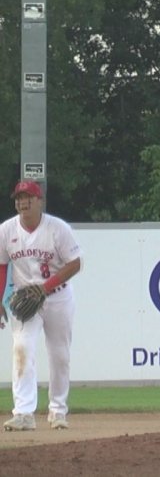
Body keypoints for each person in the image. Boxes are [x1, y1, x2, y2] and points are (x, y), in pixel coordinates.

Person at [0, 180, 82, 430]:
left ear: (40, 201)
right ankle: (24, 412)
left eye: (28, 198)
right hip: (25, 300)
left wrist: (44, 288)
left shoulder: (57, 228)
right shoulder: (6, 230)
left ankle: (57, 411)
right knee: (22, 348)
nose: (22, 202)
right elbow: (2, 266)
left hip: (57, 296)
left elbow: (75, 264)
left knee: (59, 355)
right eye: (19, 198)